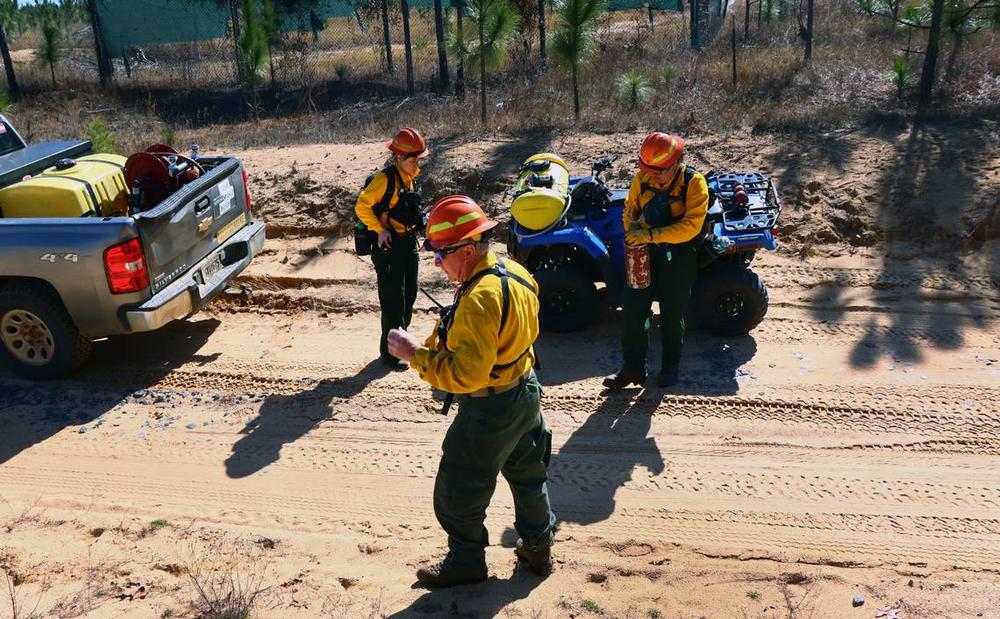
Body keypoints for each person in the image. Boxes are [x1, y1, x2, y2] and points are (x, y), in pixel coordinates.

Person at [387, 195, 557, 587]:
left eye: (440, 253)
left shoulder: (480, 298)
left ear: (465, 250)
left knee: (458, 489)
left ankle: (466, 563)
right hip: (525, 392)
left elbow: (467, 377)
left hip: (490, 409)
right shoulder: (513, 272)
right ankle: (537, 550)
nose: (435, 261)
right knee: (529, 476)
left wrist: (416, 355)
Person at [604, 132, 709, 390]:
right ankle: (632, 369)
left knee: (672, 314)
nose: (653, 175)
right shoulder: (644, 177)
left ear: (676, 163)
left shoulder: (694, 184)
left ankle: (669, 369)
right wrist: (632, 232)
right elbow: (630, 208)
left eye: (659, 171)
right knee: (633, 310)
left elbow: (691, 227)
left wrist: (650, 235)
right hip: (644, 252)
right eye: (649, 170)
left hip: (678, 256)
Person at [355, 127, 429, 369]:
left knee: (410, 294)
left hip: (408, 244)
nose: (419, 163)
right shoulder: (383, 180)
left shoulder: (409, 178)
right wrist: (380, 229)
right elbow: (362, 207)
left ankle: (400, 341)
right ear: (399, 157)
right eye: (415, 159)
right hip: (388, 247)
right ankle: (389, 353)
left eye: (419, 158)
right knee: (393, 301)